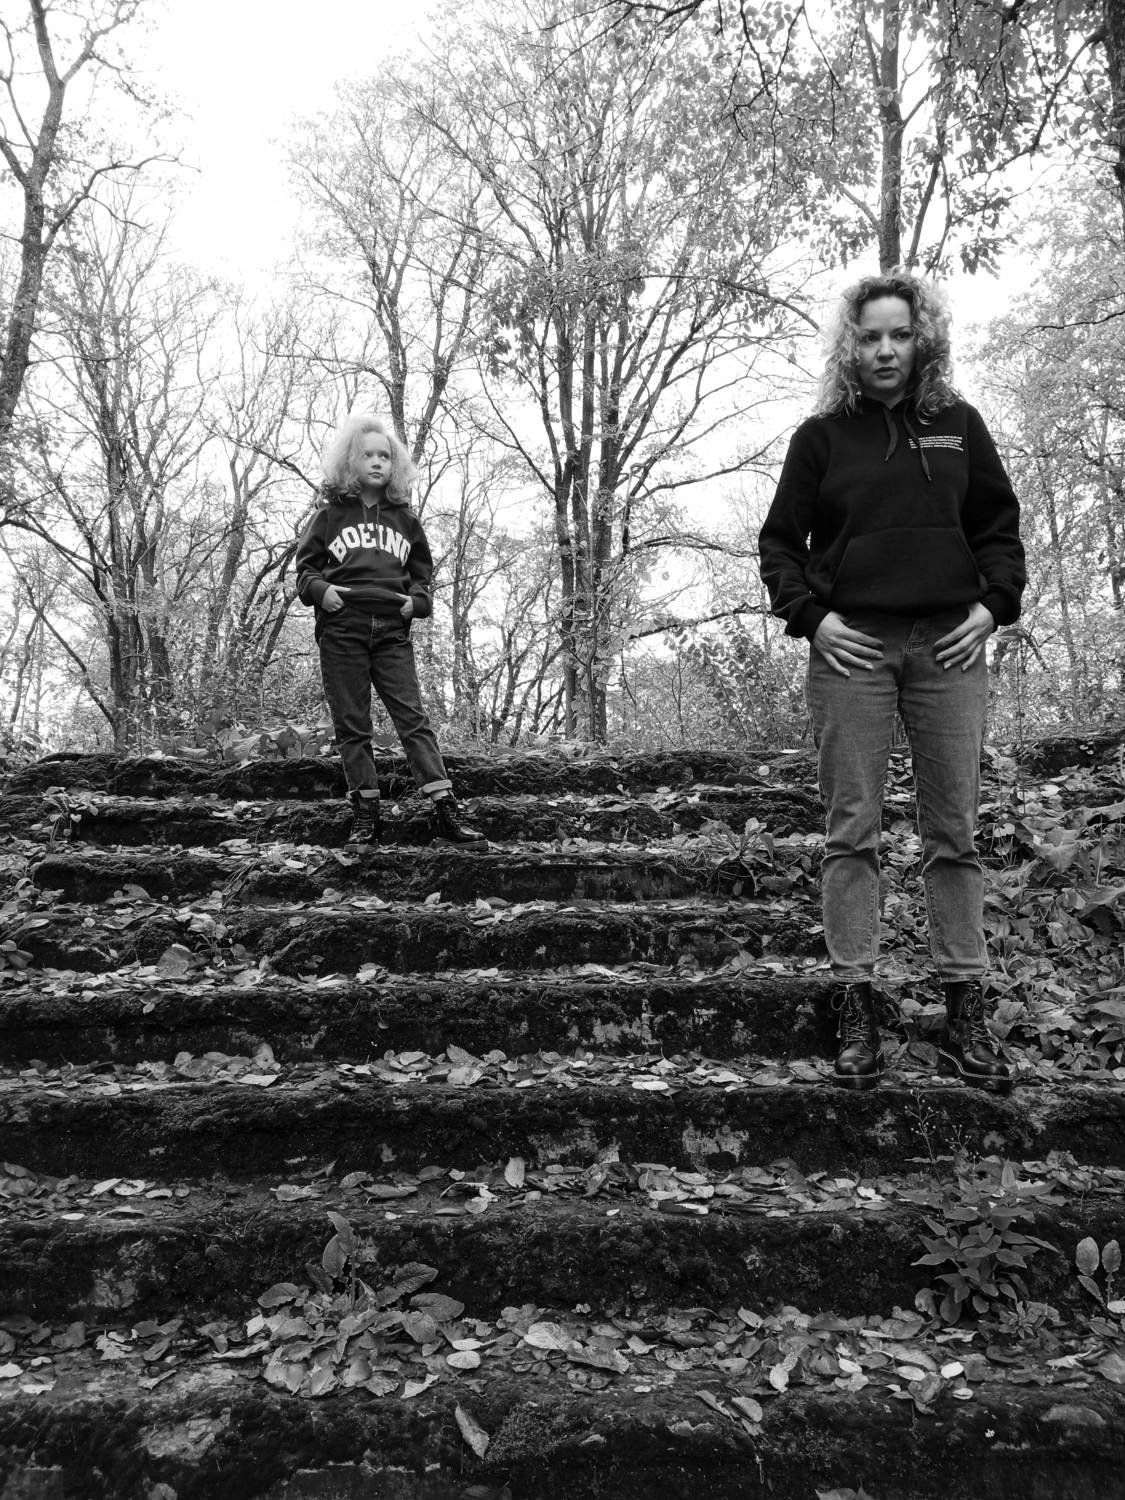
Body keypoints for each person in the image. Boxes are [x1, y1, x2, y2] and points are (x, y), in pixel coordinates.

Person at [758, 273, 1025, 1094]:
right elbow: (778, 544)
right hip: (853, 653)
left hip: (948, 647)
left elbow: (997, 526)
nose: (884, 351)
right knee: (853, 831)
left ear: (922, 339)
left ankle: (963, 1010)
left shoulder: (958, 426)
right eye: (869, 336)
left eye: (899, 335)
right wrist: (810, 617)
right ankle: (854, 1005)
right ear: (850, 344)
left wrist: (993, 605)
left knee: (954, 832)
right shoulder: (819, 438)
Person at [295, 414, 486, 848]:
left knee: (412, 718)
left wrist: (416, 603)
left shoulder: (406, 520)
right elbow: (305, 571)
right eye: (368, 455)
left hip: (391, 629)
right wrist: (323, 591)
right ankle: (366, 814)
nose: (378, 462)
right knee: (352, 724)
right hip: (343, 626)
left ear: (395, 465)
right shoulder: (328, 516)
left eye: (385, 455)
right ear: (350, 461)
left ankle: (444, 809)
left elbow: (422, 576)